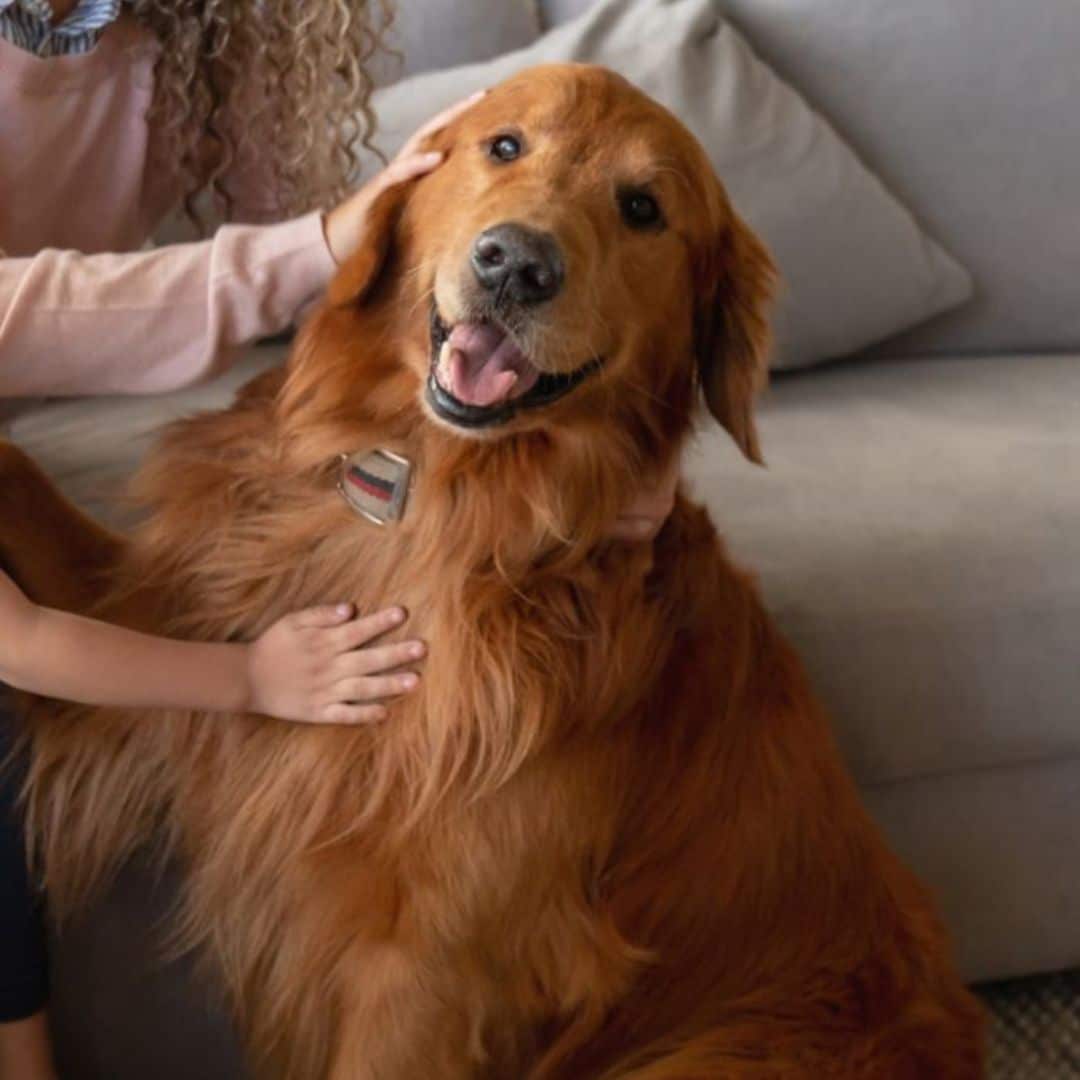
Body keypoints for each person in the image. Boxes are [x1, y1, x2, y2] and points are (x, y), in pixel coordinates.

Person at [0, 2, 679, 1077]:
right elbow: (328, 245)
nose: (522, 238)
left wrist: (652, 450)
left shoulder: (224, 26)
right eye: (506, 149)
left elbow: (343, 267)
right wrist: (244, 677)